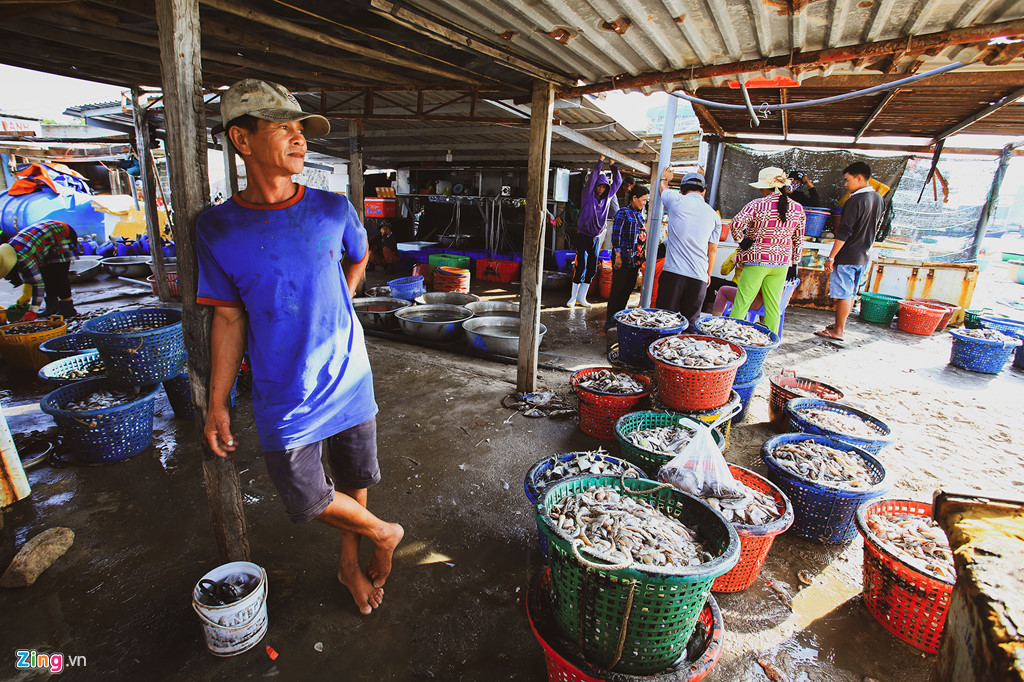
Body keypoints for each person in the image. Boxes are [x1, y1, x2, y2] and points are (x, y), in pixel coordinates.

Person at [197, 79, 404, 616]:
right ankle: (384, 533)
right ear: (242, 140)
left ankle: (349, 565)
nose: (299, 139)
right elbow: (227, 317)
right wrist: (217, 404)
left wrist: (342, 302)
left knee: (356, 478)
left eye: (301, 130)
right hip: (282, 387)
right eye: (283, 128)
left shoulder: (333, 209)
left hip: (348, 375)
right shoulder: (218, 228)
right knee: (306, 496)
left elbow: (359, 258)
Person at [728, 167, 805, 335]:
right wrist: (794, 262)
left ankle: (731, 340)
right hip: (782, 263)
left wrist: (743, 241)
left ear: (765, 187)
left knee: (742, 303)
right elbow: (798, 239)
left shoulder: (757, 204)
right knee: (773, 306)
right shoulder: (798, 208)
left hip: (757, 260)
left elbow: (735, 224)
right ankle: (769, 343)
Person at [815, 161, 885, 343]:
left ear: (859, 178)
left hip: (848, 255)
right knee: (851, 293)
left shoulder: (854, 200)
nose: (846, 185)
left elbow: (844, 232)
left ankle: (838, 330)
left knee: (844, 294)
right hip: (864, 255)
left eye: (847, 180)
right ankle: (839, 325)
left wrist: (832, 256)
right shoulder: (878, 199)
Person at [655, 170, 721, 327]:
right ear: (704, 192)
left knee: (665, 321)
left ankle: (659, 350)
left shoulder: (676, 200)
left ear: (681, 190)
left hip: (673, 275)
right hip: (699, 278)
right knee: (690, 325)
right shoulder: (714, 216)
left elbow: (663, 188)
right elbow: (712, 250)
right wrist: (708, 275)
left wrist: (665, 178)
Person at [568, 156, 621, 307]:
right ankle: (572, 297)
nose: (601, 189)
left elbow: (617, 182)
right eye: (599, 186)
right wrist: (600, 162)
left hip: (597, 237)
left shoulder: (608, 198)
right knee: (581, 265)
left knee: (592, 267)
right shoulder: (588, 195)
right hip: (583, 235)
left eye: (604, 187)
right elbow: (592, 180)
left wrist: (613, 166)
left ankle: (581, 297)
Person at [0, 219, 79, 320]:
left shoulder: (23, 258)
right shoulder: (9, 251)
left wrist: (33, 311)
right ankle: (52, 306)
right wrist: (26, 293)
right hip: (45, 238)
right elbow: (32, 276)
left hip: (60, 232)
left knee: (59, 274)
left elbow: (38, 284)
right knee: (45, 272)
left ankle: (68, 308)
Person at [604, 185, 650, 330]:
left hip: (635, 260)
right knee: (618, 289)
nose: (644, 203)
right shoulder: (623, 213)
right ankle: (610, 321)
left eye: (646, 201)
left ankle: (619, 318)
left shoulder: (639, 214)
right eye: (643, 200)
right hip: (622, 258)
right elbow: (616, 235)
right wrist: (618, 256)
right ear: (634, 198)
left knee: (628, 289)